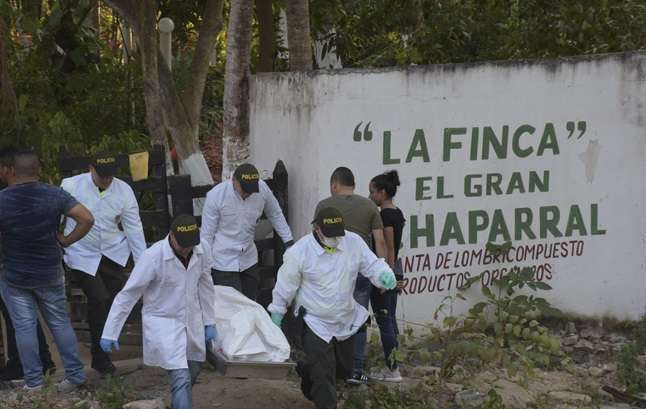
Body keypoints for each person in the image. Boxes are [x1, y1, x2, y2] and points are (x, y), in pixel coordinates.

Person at [268, 207, 396, 409]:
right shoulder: (300, 252)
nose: (335, 239)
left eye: (338, 234)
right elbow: (285, 285)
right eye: (330, 235)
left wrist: (384, 275)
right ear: (317, 229)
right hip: (314, 321)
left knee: (341, 370)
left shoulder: (353, 242)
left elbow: (372, 265)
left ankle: (308, 374)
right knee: (323, 374)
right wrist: (277, 313)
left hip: (345, 318)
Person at [0, 149, 94, 392]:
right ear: (37, 170)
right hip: (50, 271)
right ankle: (75, 375)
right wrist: (66, 240)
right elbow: (86, 218)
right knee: (60, 323)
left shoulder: (3, 200)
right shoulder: (54, 195)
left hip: (14, 275)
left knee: (24, 327)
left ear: (9, 170)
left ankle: (34, 383)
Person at [101, 214, 217, 409]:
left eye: (191, 244)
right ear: (171, 236)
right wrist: (110, 331)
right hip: (163, 322)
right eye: (183, 244)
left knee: (194, 368)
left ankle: (177, 401)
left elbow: (206, 284)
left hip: (192, 319)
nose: (187, 249)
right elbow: (128, 295)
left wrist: (209, 320)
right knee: (181, 375)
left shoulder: (201, 248)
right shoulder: (153, 257)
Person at [61, 153, 147, 375]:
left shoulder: (123, 190)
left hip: (112, 252)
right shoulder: (71, 186)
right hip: (81, 252)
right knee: (98, 298)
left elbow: (134, 228)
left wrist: (144, 266)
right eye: (102, 176)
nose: (107, 181)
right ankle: (100, 355)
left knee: (113, 301)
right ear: (91, 169)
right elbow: (57, 217)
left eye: (110, 177)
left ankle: (102, 354)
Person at [315, 166, 387, 384]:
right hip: (360, 271)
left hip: (331, 272)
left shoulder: (324, 206)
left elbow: (316, 239)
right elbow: (380, 242)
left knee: (327, 317)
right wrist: (382, 274)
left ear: (335, 184)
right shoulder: (369, 206)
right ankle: (355, 371)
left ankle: (332, 368)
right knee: (358, 319)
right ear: (353, 185)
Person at [0, 148, 56, 382]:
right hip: (19, 256)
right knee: (21, 313)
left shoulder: (9, 191)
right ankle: (40, 360)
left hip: (11, 258)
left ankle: (26, 362)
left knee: (17, 313)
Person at [201, 163, 294, 301]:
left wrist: (289, 241)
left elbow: (275, 214)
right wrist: (205, 267)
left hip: (248, 258)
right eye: (244, 189)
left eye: (251, 190)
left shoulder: (262, 190)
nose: (247, 194)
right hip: (223, 261)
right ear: (234, 181)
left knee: (251, 303)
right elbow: (207, 235)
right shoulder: (216, 196)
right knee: (233, 309)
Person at [367, 170, 406, 382]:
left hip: (388, 271)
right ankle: (394, 364)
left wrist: (386, 276)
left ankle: (393, 370)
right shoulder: (397, 212)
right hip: (395, 269)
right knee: (391, 320)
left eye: (372, 192)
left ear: (382, 192)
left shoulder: (385, 216)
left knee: (385, 322)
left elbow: (389, 246)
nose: (371, 196)